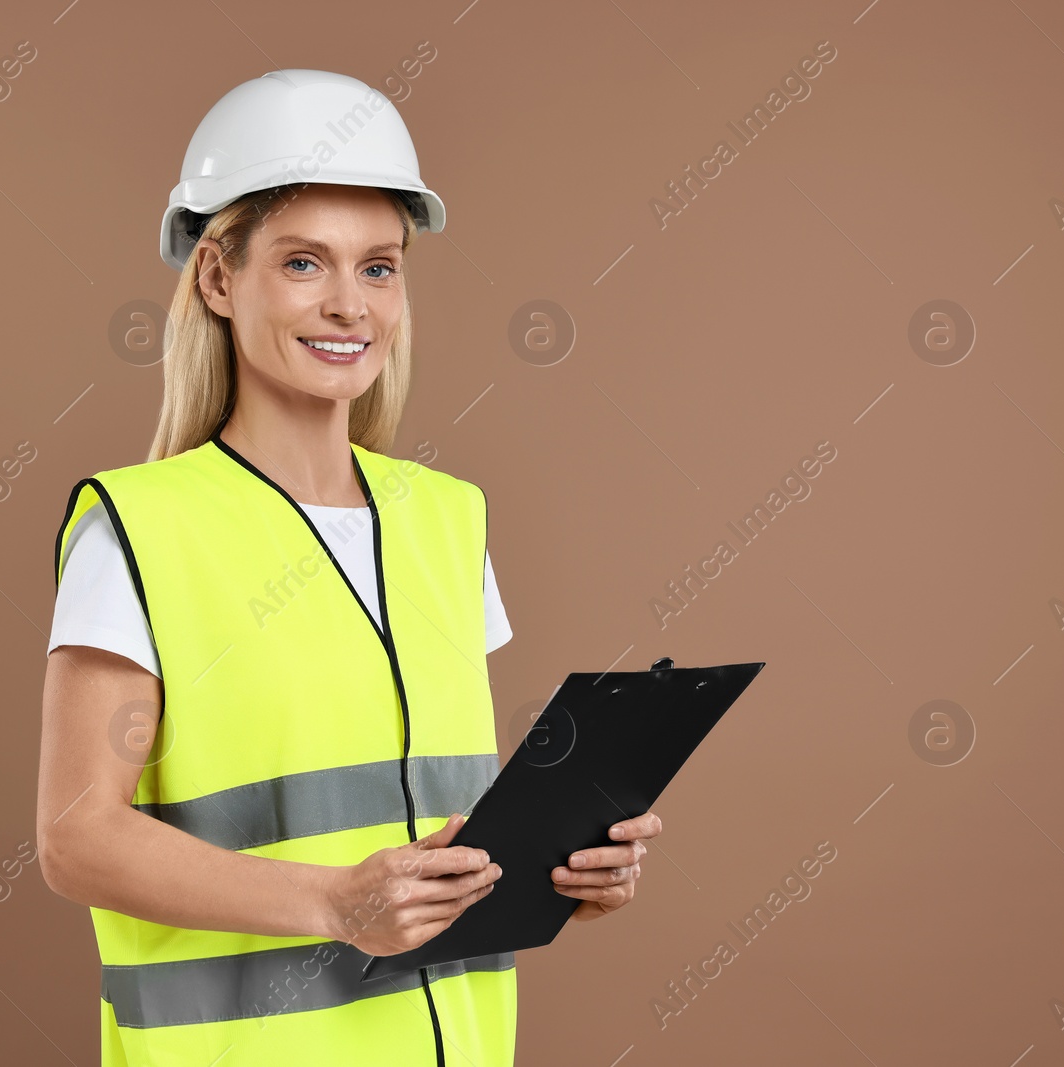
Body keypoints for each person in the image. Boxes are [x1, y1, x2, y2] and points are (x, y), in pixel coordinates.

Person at [36, 68, 661, 1066]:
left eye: (378, 267)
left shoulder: (448, 520)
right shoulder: (141, 531)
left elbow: (445, 827)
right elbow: (76, 837)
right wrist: (332, 900)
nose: (347, 304)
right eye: (302, 263)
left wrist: (565, 868)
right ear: (216, 278)